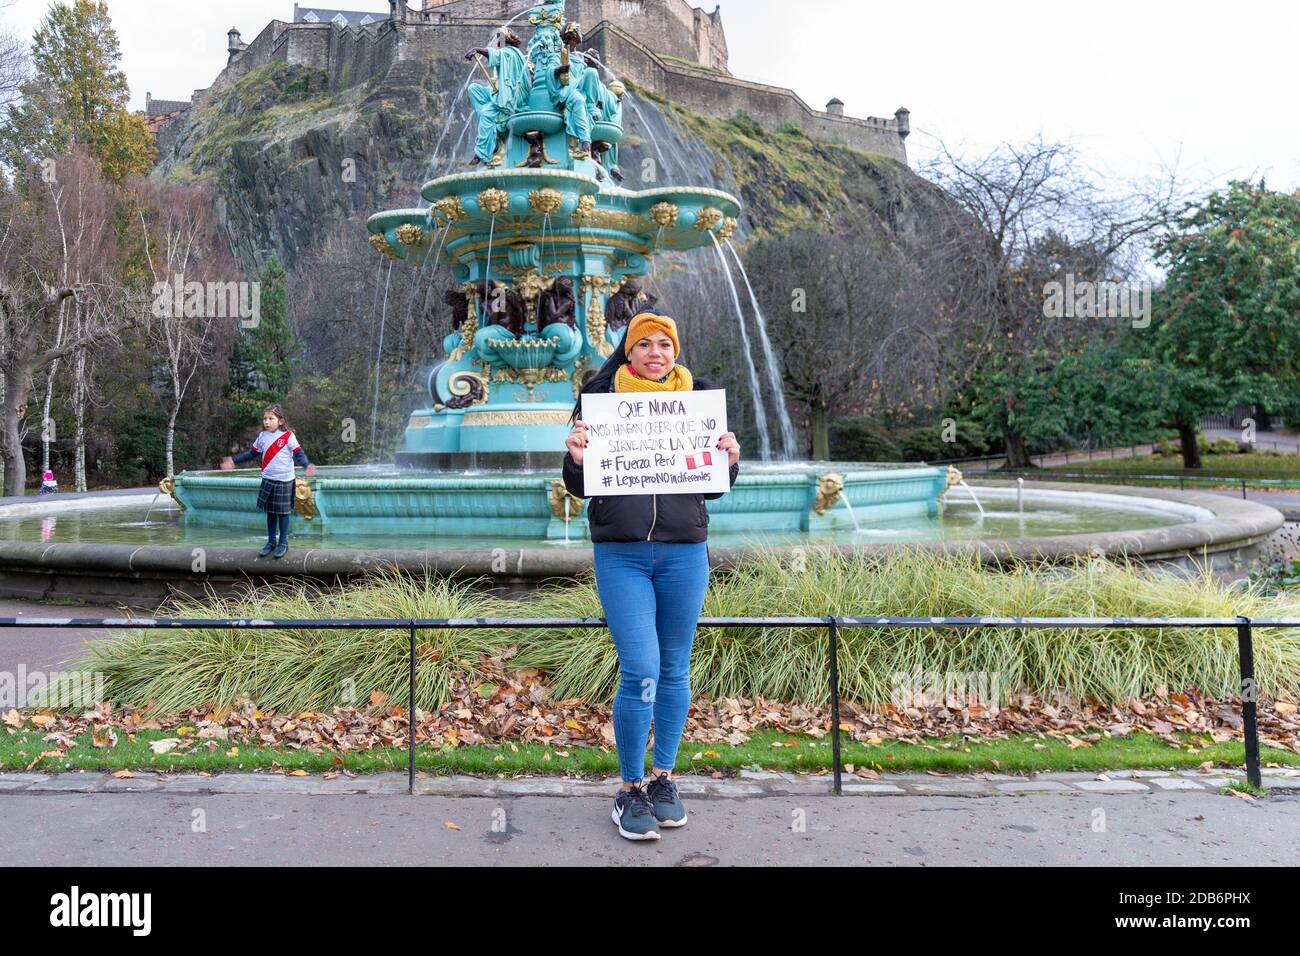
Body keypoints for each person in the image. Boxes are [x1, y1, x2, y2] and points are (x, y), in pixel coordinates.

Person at [562, 308, 741, 841]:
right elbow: (579, 486)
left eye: (665, 343)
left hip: (685, 552)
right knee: (640, 668)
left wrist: (729, 461)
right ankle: (629, 787)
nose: (655, 353)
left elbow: (710, 488)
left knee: (675, 669)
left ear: (676, 351)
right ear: (629, 352)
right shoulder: (601, 403)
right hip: (623, 555)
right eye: (644, 345)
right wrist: (574, 459)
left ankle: (664, 777)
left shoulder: (698, 401)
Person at [221, 404, 316, 559]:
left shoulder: (288, 436)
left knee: (283, 513)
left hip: (285, 480)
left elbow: (299, 454)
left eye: (271, 418)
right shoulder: (263, 436)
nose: (267, 421)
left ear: (280, 421)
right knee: (271, 512)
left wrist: (306, 465)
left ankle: (283, 543)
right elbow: (251, 454)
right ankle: (271, 542)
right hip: (268, 480)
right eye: (265, 418)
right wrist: (233, 461)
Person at [465, 28, 530, 167]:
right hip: (502, 92)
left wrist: (477, 49)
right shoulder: (506, 53)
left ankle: (481, 153)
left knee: (486, 113)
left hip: (513, 97)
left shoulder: (512, 52)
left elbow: (497, 55)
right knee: (474, 89)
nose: (496, 42)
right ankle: (490, 128)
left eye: (499, 39)